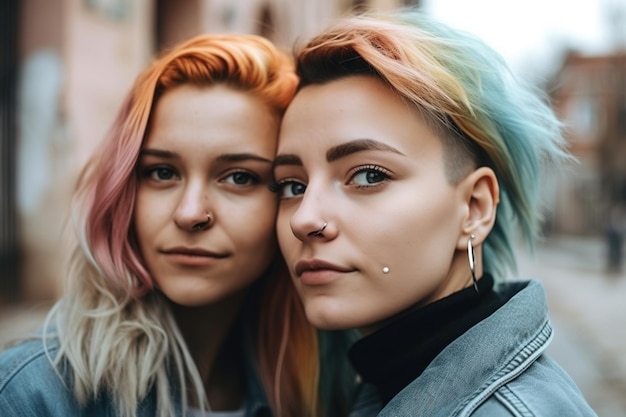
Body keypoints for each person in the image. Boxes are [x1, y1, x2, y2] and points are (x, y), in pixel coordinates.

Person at [0, 34, 360, 417]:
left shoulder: (328, 383)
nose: (190, 214)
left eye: (239, 177)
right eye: (162, 172)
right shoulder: (32, 395)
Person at [272, 9, 598, 416]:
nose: (304, 219)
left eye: (369, 175)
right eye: (292, 186)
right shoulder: (385, 380)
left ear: (474, 209)